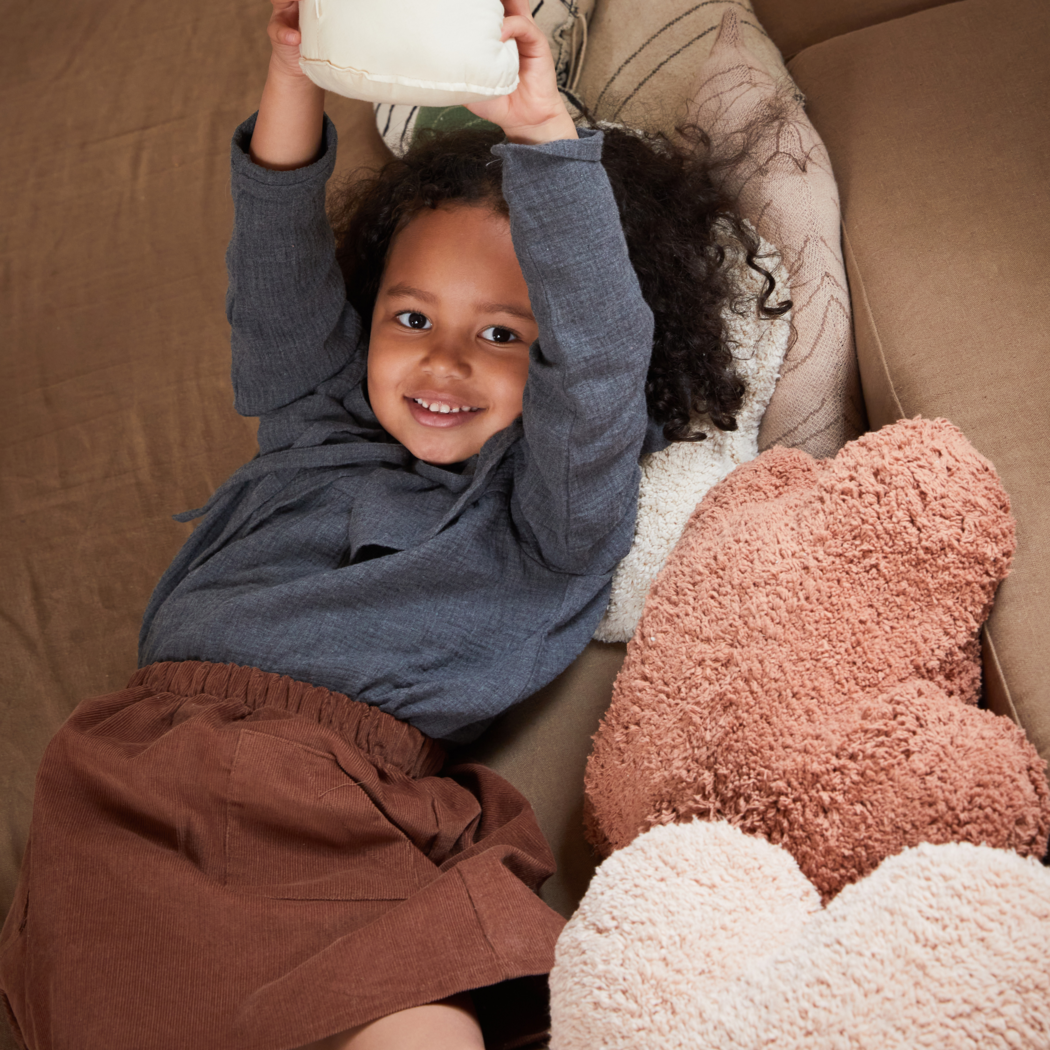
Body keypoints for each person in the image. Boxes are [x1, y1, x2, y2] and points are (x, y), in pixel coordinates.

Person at [0, 1, 786, 1048]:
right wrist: (293, 79)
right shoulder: (310, 425)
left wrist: (546, 143)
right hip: (148, 785)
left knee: (430, 1030)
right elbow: (274, 261)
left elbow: (598, 359)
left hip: (352, 827)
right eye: (411, 318)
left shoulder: (544, 521)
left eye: (501, 334)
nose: (444, 361)